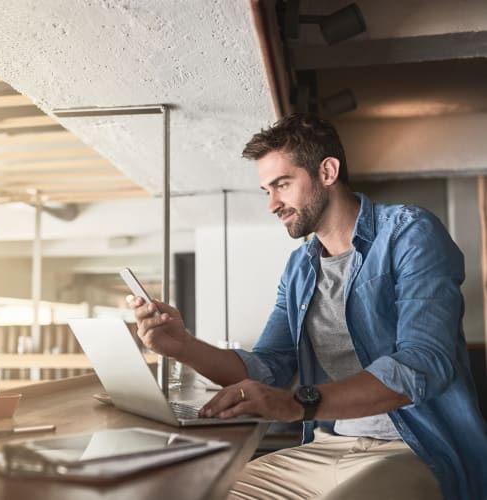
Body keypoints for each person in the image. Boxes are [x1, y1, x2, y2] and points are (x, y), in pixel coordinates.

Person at [130, 113, 487, 500]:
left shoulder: (409, 233)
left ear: (328, 171)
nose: (272, 204)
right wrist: (181, 345)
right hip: (324, 447)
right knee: (199, 492)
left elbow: (423, 363)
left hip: (413, 449)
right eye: (267, 190)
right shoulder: (300, 268)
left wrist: (298, 403)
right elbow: (268, 367)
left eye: (282, 185)